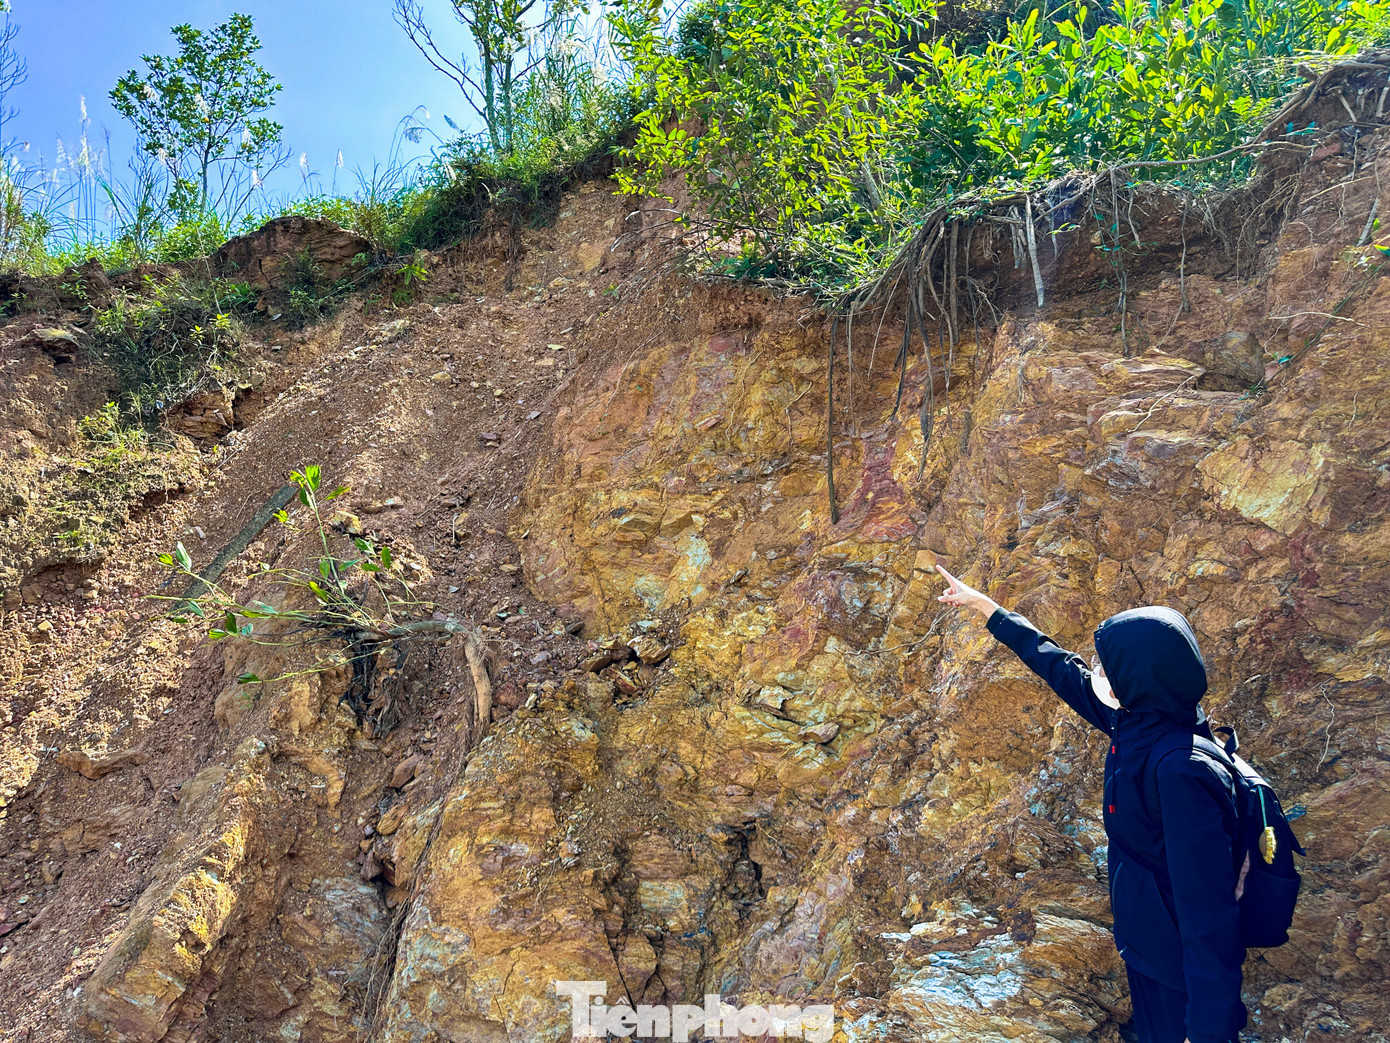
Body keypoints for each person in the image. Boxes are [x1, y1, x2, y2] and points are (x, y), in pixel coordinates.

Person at [934, 563, 1246, 1043]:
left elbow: (1208, 909)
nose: (1096, 672)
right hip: (1146, 939)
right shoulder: (1144, 717)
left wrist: (1207, 1030)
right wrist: (987, 608)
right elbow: (1061, 668)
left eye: (1107, 667)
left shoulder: (1178, 770)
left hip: (1173, 964)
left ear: (1136, 677)